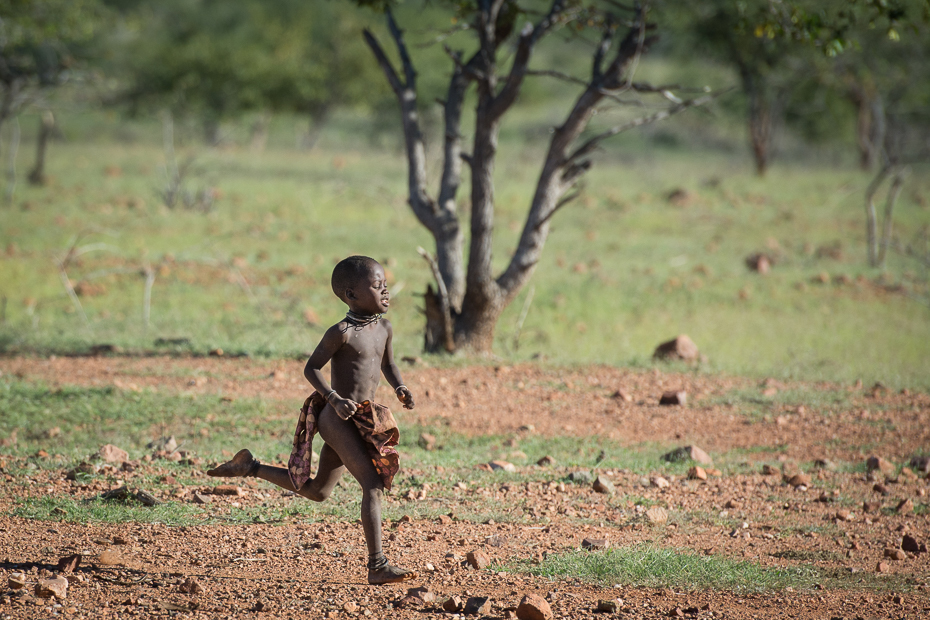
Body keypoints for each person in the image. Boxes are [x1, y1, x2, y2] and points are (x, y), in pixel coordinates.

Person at [207, 255, 416, 585]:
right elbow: (311, 368)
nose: (385, 292)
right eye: (377, 287)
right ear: (351, 295)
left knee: (318, 491)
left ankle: (251, 467)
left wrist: (401, 387)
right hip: (336, 418)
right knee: (372, 486)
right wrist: (333, 398)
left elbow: (388, 365)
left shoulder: (384, 328)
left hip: (362, 419)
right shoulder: (341, 333)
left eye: (385, 285)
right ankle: (377, 566)